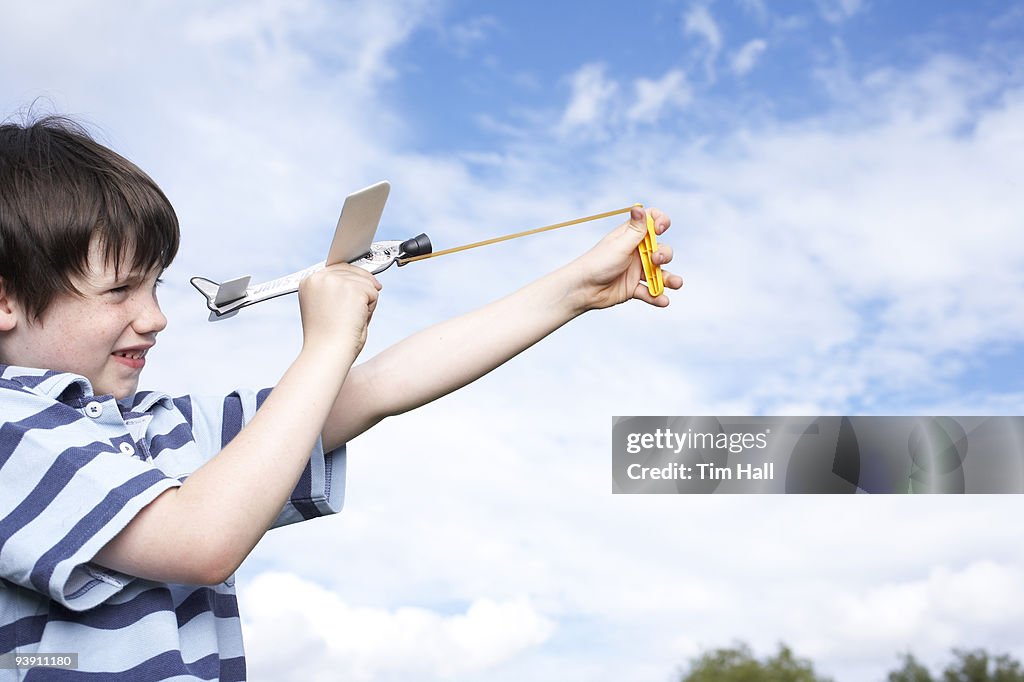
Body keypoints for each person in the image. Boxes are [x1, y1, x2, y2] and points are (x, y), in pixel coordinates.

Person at [0, 115, 682, 679]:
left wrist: (572, 292)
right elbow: (199, 542)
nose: (154, 318)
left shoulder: (153, 429)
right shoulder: (12, 430)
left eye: (155, 288)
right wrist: (324, 347)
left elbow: (379, 387)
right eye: (120, 291)